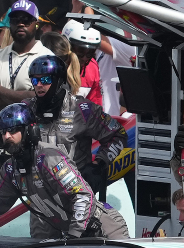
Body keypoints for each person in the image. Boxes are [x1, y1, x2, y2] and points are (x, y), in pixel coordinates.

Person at [0, 104, 129, 239]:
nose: (7, 136)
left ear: (29, 131)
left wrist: (74, 236)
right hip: (77, 234)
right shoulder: (10, 170)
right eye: (3, 132)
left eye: (13, 130)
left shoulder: (49, 157)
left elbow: (82, 195)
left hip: (105, 229)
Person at [25, 54, 127, 203]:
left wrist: (99, 164)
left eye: (45, 79)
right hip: (41, 200)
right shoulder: (26, 110)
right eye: (35, 80)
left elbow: (118, 135)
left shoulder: (83, 109)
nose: (39, 84)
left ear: (59, 80)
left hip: (77, 196)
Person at [0, 0, 54, 159]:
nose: (21, 24)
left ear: (36, 24)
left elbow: (45, 100)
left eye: (26, 20)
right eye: (16, 20)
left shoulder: (48, 59)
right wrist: (26, 98)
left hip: (33, 149)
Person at [63, 23, 104, 108]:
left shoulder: (92, 67)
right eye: (80, 52)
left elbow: (95, 107)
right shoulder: (51, 65)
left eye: (90, 53)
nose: (85, 58)